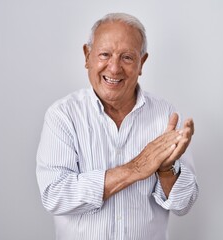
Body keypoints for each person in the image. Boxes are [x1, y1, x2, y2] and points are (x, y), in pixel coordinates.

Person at [36, 12, 199, 240]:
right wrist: (135, 168)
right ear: (87, 56)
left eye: (127, 58)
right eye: (104, 54)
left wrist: (166, 169)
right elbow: (55, 195)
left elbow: (184, 204)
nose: (114, 68)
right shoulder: (62, 115)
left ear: (142, 63)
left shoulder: (165, 116)